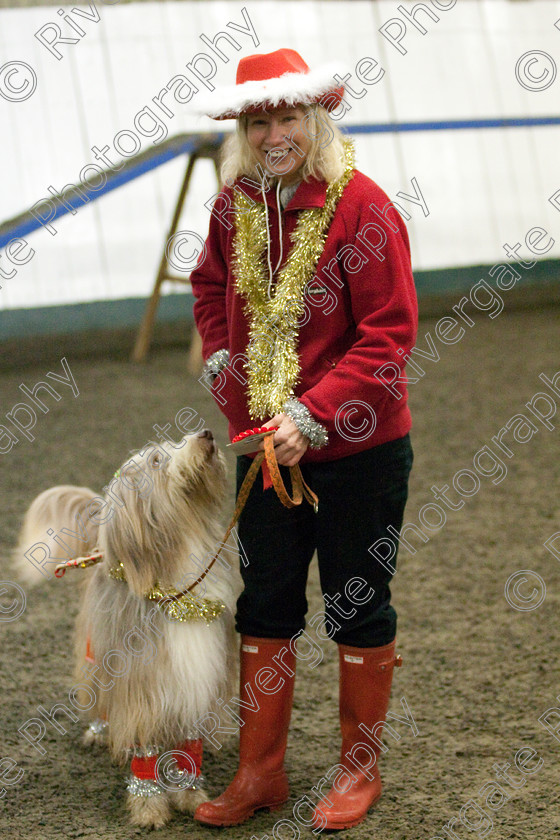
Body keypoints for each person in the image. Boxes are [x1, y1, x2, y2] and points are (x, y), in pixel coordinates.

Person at [189, 48, 417, 832]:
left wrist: (314, 412)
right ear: (243, 132)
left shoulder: (364, 208)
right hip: (262, 450)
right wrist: (227, 369)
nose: (272, 133)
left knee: (357, 605)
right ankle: (261, 771)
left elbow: (388, 335)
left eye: (286, 117)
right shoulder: (232, 210)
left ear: (314, 119)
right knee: (266, 604)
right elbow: (211, 289)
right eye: (258, 121)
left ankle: (360, 772)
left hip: (360, 449)